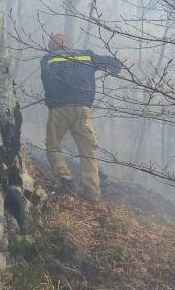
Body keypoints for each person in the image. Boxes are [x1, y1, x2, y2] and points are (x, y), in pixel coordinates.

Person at [40, 33, 121, 202]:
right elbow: (111, 63)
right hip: (83, 109)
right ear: (65, 42)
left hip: (59, 109)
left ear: (53, 45)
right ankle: (92, 196)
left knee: (53, 146)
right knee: (88, 152)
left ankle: (67, 180)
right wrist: (117, 67)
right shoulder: (86, 55)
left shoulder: (47, 58)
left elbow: (47, 82)